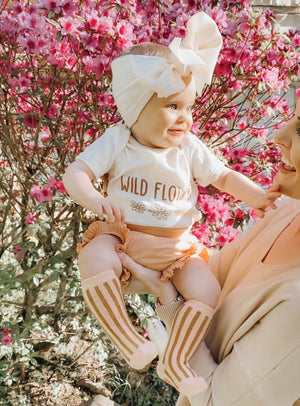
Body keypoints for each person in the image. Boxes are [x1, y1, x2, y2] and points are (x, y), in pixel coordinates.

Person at [62, 12, 280, 396]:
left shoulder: (189, 149)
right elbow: (75, 173)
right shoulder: (119, 141)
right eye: (172, 107)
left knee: (206, 290)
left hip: (176, 248)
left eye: (188, 107)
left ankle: (176, 360)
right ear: (135, 108)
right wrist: (95, 199)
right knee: (93, 258)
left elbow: (224, 176)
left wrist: (258, 196)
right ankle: (129, 341)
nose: (185, 119)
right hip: (123, 237)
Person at [120, 98, 300, 405]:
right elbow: (203, 280)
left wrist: (166, 293)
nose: (278, 135)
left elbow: (217, 401)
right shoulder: (288, 213)